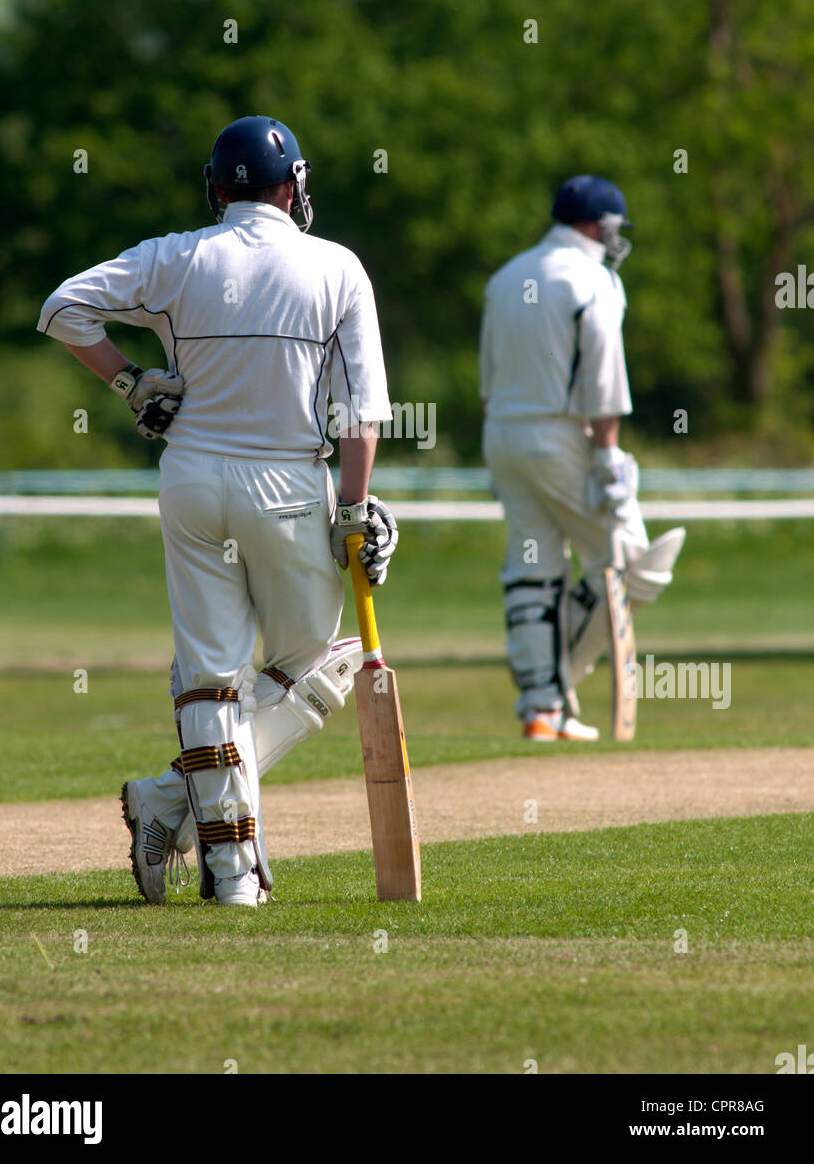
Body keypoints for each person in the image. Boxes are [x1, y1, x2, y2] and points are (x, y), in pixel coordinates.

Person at [38, 115, 398, 906]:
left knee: (209, 682)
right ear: (293, 185)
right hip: (289, 486)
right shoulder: (336, 266)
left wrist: (129, 381)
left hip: (192, 479)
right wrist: (355, 507)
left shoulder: (175, 256)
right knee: (313, 666)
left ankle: (202, 841)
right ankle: (189, 822)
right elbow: (360, 412)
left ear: (214, 188)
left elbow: (63, 308)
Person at [479, 174, 684, 741]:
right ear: (602, 226)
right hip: (561, 436)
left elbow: (487, 376)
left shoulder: (506, 276)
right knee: (634, 563)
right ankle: (561, 671)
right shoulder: (594, 279)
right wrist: (608, 453)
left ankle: (541, 706)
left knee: (533, 567)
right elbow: (602, 374)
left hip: (503, 433)